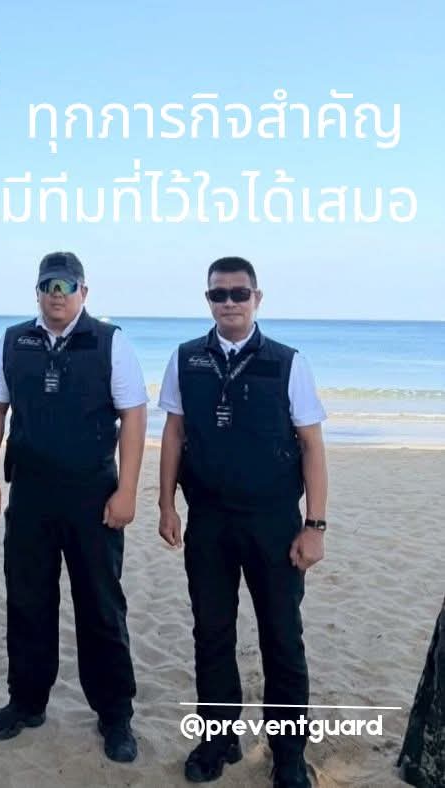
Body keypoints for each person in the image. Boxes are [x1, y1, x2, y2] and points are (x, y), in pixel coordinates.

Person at [157, 256, 328, 788]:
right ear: (207, 300)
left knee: (282, 638)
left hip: (273, 523)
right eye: (219, 294)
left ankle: (288, 753)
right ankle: (218, 739)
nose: (229, 302)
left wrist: (315, 525)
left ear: (257, 298)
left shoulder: (288, 362)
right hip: (208, 521)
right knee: (211, 633)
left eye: (239, 293)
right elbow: (174, 434)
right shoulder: (186, 358)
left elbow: (312, 445)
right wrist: (166, 504)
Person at [0, 251, 148, 763]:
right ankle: (27, 702)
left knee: (100, 605)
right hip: (30, 493)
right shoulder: (14, 341)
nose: (57, 294)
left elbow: (134, 417)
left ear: (83, 292)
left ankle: (115, 715)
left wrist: (127, 490)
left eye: (66, 286)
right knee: (27, 601)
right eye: (49, 285)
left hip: (93, 496)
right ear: (37, 291)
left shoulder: (110, 342)